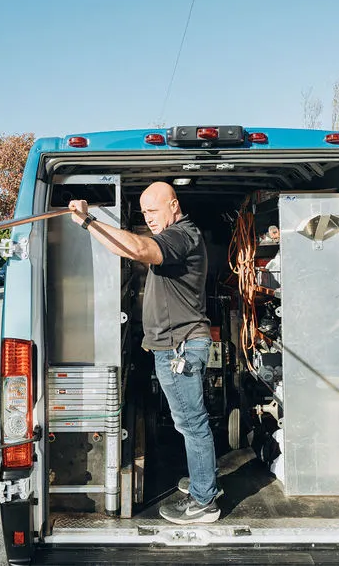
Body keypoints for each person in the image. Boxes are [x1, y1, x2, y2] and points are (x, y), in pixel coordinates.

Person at [68, 182, 220, 525]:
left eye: (153, 210)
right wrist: (86, 223)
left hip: (179, 346)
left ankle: (204, 500)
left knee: (191, 423)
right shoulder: (176, 233)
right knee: (190, 422)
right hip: (173, 345)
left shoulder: (181, 236)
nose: (148, 218)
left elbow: (137, 249)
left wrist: (91, 220)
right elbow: (126, 250)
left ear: (174, 205)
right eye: (144, 212)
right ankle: (203, 482)